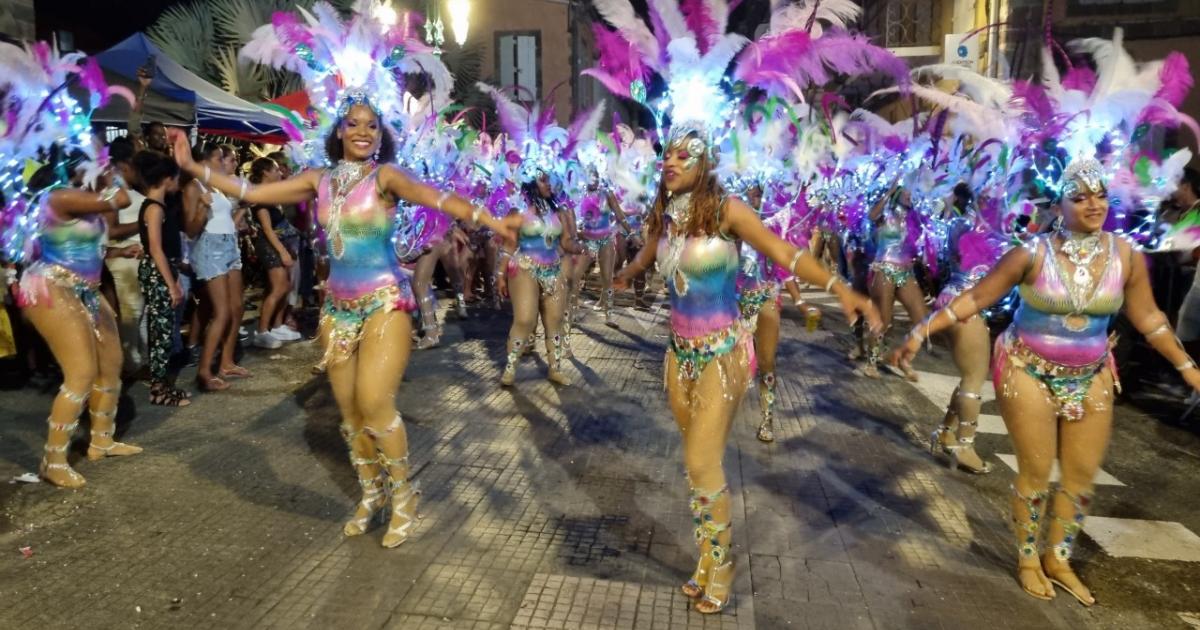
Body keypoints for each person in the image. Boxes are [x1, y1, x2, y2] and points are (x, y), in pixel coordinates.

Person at [168, 93, 520, 548]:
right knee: (351, 415)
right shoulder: (318, 180)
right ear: (338, 131)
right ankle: (372, 495)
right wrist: (193, 167)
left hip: (384, 303)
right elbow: (251, 192)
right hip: (337, 310)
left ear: (380, 135)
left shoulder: (386, 176)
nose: (361, 131)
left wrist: (491, 220)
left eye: (371, 125)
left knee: (375, 403)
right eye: (353, 123)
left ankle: (405, 498)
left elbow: (439, 196)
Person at [893, 159, 1200, 605]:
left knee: (1079, 480)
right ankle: (1028, 560)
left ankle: (1058, 559)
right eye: (1079, 197)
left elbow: (1149, 317)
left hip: (1092, 371)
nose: (1092, 205)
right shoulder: (1031, 253)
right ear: (1058, 206)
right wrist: (921, 331)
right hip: (1026, 366)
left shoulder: (1125, 256)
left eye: (1099, 195)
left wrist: (1188, 368)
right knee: (1036, 474)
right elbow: (976, 298)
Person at [614, 129, 879, 614]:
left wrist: (840, 287)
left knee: (701, 462)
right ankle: (706, 559)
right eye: (666, 154)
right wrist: (628, 274)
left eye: (682, 155)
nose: (670, 162)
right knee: (696, 468)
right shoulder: (667, 217)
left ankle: (724, 562)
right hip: (678, 354)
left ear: (704, 163)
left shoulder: (728, 211)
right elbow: (650, 253)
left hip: (723, 354)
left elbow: (784, 253)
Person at [17, 166, 143, 487]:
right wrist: (112, 179)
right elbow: (122, 198)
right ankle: (53, 460)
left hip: (87, 289)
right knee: (81, 372)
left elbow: (92, 245)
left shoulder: (86, 200)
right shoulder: (60, 196)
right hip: (52, 287)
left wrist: (119, 250)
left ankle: (101, 441)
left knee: (111, 364)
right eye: (97, 160)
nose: (106, 166)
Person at [498, 171, 580, 386]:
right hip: (525, 267)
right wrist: (499, 274)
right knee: (525, 320)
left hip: (554, 269)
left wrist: (580, 246)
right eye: (543, 180)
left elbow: (566, 242)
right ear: (530, 181)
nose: (549, 184)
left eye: (551, 179)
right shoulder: (518, 211)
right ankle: (510, 368)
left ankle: (555, 369)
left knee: (555, 321)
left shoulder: (558, 211)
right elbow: (508, 246)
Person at [185, 142, 248, 391]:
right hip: (210, 248)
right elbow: (190, 230)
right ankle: (204, 371)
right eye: (220, 158)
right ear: (206, 160)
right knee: (221, 312)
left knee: (237, 307)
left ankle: (226, 362)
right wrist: (202, 206)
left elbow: (224, 217)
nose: (224, 163)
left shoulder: (217, 185)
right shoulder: (193, 187)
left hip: (230, 244)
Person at [134, 151, 191, 406]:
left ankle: (163, 384)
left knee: (163, 331)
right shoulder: (155, 208)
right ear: (167, 178)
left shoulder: (155, 206)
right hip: (158, 272)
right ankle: (158, 389)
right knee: (161, 332)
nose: (178, 184)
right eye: (176, 178)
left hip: (160, 269)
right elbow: (156, 248)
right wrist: (171, 284)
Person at [864, 186, 927, 379]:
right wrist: (890, 190)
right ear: (898, 193)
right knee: (883, 320)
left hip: (906, 271)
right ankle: (872, 362)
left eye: (913, 191)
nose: (911, 195)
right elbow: (871, 215)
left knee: (922, 320)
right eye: (907, 191)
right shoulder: (885, 214)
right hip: (884, 268)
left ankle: (904, 359)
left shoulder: (916, 217)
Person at [248, 157, 302, 349]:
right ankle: (262, 331)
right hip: (269, 246)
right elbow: (267, 229)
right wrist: (283, 252)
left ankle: (277, 325)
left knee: (285, 287)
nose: (280, 173)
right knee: (278, 288)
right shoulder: (260, 196)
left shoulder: (271, 194)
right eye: (276, 170)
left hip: (280, 244)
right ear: (265, 173)